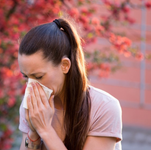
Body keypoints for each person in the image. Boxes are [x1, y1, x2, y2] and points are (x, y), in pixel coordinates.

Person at [17, 18, 122, 150]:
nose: (31, 85)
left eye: (39, 76)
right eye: (26, 77)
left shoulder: (104, 107)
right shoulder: (34, 104)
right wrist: (33, 133)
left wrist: (45, 130)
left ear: (65, 66)